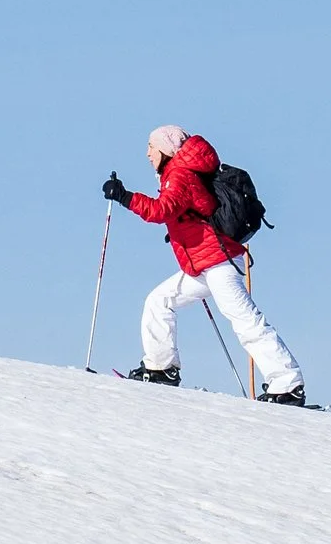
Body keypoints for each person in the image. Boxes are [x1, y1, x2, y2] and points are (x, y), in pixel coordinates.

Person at [105, 126, 306, 401]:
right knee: (159, 301)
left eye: (151, 146)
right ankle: (161, 368)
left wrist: (125, 197)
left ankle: (287, 383)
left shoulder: (179, 174)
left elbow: (161, 210)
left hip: (218, 262)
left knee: (245, 320)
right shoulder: (180, 173)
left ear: (165, 149)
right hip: (205, 263)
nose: (147, 153)